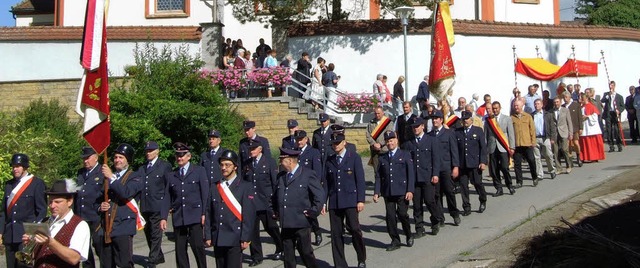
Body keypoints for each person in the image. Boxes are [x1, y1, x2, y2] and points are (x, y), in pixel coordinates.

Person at [273, 147, 325, 268]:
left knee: (306, 252)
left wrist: (314, 211)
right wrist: (274, 211)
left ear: (290, 161)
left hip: (301, 221)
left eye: (282, 160)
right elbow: (275, 196)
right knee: (288, 256)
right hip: (286, 222)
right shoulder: (281, 176)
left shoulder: (307, 174)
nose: (280, 162)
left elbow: (319, 194)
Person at [160, 142, 209, 268]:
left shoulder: (199, 171)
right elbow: (167, 197)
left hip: (195, 216)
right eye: (177, 156)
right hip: (179, 216)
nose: (179, 158)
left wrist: (204, 213)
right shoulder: (172, 175)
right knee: (180, 250)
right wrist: (163, 217)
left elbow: (205, 194)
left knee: (197, 247)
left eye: (182, 155)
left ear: (189, 156)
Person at [205, 150, 256, 268]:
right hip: (218, 236)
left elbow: (249, 215)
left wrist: (245, 237)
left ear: (235, 167)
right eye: (222, 165)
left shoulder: (245, 186)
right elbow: (209, 212)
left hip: (235, 237)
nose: (224, 168)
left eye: (227, 165)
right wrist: (207, 235)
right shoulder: (215, 186)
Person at [323, 133, 367, 268]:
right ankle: (340, 264)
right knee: (336, 234)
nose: (335, 145)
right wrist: (324, 202)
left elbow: (360, 180)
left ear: (344, 143)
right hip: (335, 201)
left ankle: (361, 258)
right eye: (333, 143)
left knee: (354, 229)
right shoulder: (329, 160)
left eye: (338, 142)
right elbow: (326, 184)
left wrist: (360, 200)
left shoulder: (353, 158)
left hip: (350, 200)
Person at [25, 179, 91, 267]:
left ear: (70, 201)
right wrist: (30, 244)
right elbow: (37, 256)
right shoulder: (43, 222)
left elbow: (74, 258)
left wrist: (50, 242)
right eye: (50, 202)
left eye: (57, 202)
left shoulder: (80, 225)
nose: (52, 206)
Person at [99, 143, 144, 268]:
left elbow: (126, 192)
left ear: (128, 160)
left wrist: (111, 177)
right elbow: (100, 197)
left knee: (124, 263)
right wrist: (101, 206)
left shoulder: (136, 176)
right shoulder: (107, 178)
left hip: (124, 226)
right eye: (116, 157)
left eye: (121, 158)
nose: (117, 160)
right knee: (107, 264)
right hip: (107, 226)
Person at [0, 153, 47, 268]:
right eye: (13, 166)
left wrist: (33, 232)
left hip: (26, 236)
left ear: (25, 167)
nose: (15, 169)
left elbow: (41, 211)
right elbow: (3, 213)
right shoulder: (9, 185)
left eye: (18, 166)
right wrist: (1, 233)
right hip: (10, 235)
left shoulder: (37, 183)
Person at [241, 139, 283, 266]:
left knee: (271, 227)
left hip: (266, 202)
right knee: (253, 232)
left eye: (253, 149)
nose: (251, 151)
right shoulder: (247, 163)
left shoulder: (269, 162)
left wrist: (275, 203)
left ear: (260, 149)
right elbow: (244, 182)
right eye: (249, 149)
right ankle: (256, 257)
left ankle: (281, 247)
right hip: (251, 203)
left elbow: (274, 183)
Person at [373, 131, 415, 251]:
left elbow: (410, 174)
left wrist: (410, 190)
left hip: (402, 191)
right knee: (390, 217)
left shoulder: (405, 154)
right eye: (387, 141)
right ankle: (395, 240)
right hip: (388, 192)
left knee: (402, 214)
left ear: (396, 141)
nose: (390, 143)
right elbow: (378, 176)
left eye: (391, 140)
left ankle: (408, 235)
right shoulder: (383, 158)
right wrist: (377, 192)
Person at [402, 117, 442, 236]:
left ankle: (435, 221)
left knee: (430, 201)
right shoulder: (408, 143)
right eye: (413, 127)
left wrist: (435, 174)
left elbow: (436, 159)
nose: (415, 129)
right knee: (417, 204)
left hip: (427, 176)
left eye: (417, 126)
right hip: (414, 178)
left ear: (423, 126)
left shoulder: (431, 140)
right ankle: (419, 227)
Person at [137, 141, 172, 268]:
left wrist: (169, 205)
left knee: (156, 234)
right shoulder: (142, 168)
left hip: (158, 205)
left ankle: (152, 261)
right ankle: (159, 255)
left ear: (157, 151)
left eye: (150, 151)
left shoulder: (164, 166)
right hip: (145, 206)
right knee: (148, 232)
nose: (148, 153)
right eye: (146, 151)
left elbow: (169, 186)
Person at [430, 110, 462, 226]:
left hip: (446, 168)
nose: (434, 120)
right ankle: (440, 217)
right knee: (436, 194)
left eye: (436, 118)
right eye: (433, 119)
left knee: (449, 192)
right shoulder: (430, 135)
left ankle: (454, 214)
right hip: (435, 170)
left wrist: (456, 167)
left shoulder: (449, 133)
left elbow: (454, 151)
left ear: (441, 120)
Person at [294, 130, 325, 246]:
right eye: (297, 140)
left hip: (309, 187)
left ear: (306, 139)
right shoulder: (294, 152)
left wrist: (315, 186)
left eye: (301, 139)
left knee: (310, 212)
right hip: (297, 187)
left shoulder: (313, 152)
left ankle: (317, 232)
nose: (299, 142)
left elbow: (317, 171)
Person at [454, 111, 488, 215]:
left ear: (471, 120)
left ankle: (482, 200)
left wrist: (483, 162)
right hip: (462, 164)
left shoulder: (478, 131)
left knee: (477, 183)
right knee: (463, 187)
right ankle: (466, 207)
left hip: (474, 163)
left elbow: (483, 148)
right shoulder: (457, 132)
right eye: (463, 119)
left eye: (467, 119)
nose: (465, 121)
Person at [75, 147, 103, 268]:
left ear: (95, 157)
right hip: (82, 215)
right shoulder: (81, 173)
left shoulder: (102, 172)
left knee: (99, 245)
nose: (85, 161)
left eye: (88, 158)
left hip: (96, 216)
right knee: (84, 247)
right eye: (84, 159)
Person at [485, 102, 516, 196]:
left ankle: (509, 185)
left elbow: (511, 133)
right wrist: (485, 149)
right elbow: (486, 135)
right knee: (494, 170)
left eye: (496, 108)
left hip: (503, 147)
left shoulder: (507, 118)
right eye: (493, 108)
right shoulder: (488, 120)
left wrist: (512, 147)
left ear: (500, 108)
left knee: (504, 167)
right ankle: (499, 188)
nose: (495, 110)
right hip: (492, 147)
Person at [511, 100, 539, 188]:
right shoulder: (511, 118)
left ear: (522, 106)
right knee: (517, 164)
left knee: (531, 160)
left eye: (517, 106)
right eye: (515, 106)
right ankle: (519, 181)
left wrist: (533, 141)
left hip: (527, 143)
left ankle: (534, 177)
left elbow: (532, 129)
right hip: (517, 144)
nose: (516, 107)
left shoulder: (528, 116)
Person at [531, 99, 558, 181]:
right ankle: (540, 174)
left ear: (542, 105)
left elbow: (552, 127)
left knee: (548, 155)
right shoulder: (531, 115)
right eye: (535, 104)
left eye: (538, 104)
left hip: (545, 137)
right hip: (535, 138)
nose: (536, 105)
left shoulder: (548, 114)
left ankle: (552, 170)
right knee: (537, 157)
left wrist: (552, 138)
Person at [366, 107, 394, 179]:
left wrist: (380, 144)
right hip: (374, 150)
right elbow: (368, 135)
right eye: (375, 113)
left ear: (382, 113)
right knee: (376, 170)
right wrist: (373, 144)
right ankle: (378, 187)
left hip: (385, 149)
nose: (377, 115)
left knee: (386, 170)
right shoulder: (371, 122)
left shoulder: (388, 122)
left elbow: (389, 134)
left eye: (378, 113)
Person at [579, 92, 606, 162]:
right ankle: (585, 157)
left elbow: (595, 117)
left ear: (586, 98)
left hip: (592, 128)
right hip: (585, 127)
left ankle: (595, 157)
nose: (581, 100)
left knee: (593, 144)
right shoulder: (581, 107)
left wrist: (587, 117)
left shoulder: (592, 106)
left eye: (582, 98)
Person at [552, 96, 574, 174]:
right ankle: (559, 168)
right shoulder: (551, 111)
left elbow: (569, 122)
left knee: (565, 149)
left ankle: (568, 165)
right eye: (555, 102)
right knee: (556, 151)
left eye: (557, 102)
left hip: (564, 132)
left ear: (560, 102)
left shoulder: (565, 110)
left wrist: (571, 133)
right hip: (555, 133)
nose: (556, 103)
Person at [601, 81, 625, 152]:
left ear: (614, 86)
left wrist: (619, 111)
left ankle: (619, 144)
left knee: (616, 130)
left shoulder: (619, 96)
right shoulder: (606, 94)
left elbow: (622, 106)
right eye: (610, 86)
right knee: (609, 130)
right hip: (608, 114)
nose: (610, 87)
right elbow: (602, 100)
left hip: (615, 114)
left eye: (612, 86)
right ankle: (611, 146)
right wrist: (608, 95)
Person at [564, 91, 584, 164]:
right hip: (566, 128)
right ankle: (569, 158)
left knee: (575, 143)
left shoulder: (576, 105)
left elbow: (580, 117)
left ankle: (578, 156)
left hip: (575, 127)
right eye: (564, 97)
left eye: (566, 97)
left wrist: (581, 128)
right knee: (568, 144)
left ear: (570, 97)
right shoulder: (563, 107)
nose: (565, 99)